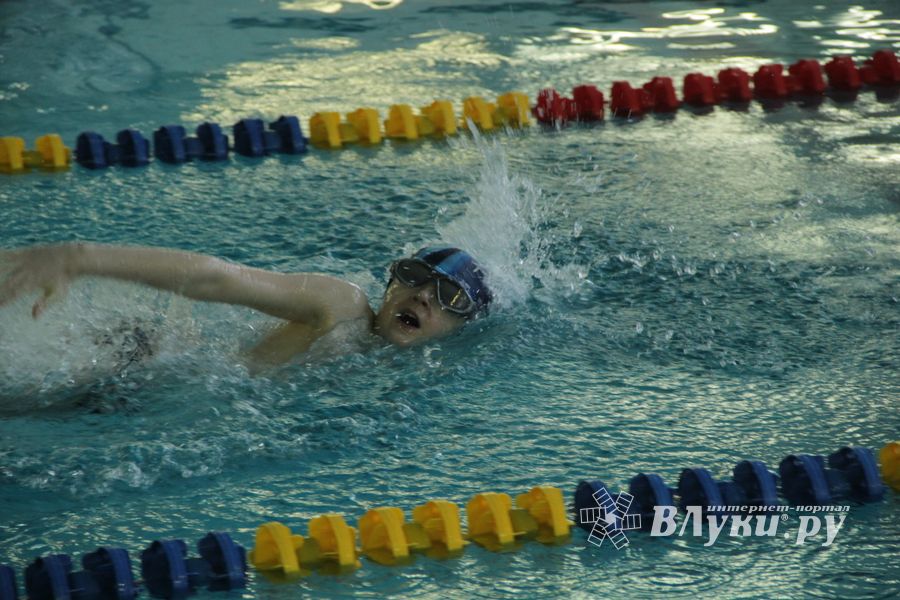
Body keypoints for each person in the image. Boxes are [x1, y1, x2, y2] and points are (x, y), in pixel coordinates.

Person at [0, 242, 492, 369]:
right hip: (137, 365)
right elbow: (216, 278)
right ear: (389, 286)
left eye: (448, 296)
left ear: (460, 326)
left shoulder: (422, 372)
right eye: (413, 277)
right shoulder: (342, 305)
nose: (423, 295)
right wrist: (77, 258)